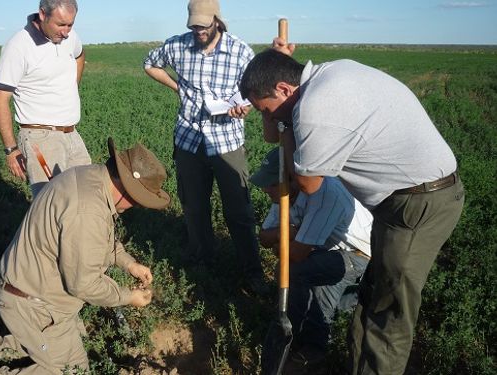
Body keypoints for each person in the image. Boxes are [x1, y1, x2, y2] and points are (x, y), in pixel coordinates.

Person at [240, 47, 465, 374]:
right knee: (372, 303)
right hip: (404, 201)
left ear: (285, 89)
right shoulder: (332, 74)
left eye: (267, 110)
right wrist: (279, 116)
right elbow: (275, 132)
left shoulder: (315, 108)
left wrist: (285, 124)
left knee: (387, 318)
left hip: (417, 205)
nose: (269, 119)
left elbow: (307, 184)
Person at [0, 138, 170, 374]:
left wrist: (129, 263)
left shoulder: (91, 178)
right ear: (127, 190)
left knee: (75, 352)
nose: (136, 206)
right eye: (138, 199)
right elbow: (83, 284)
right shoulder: (88, 211)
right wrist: (127, 297)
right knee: (67, 370)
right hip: (34, 304)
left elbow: (100, 238)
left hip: (35, 292)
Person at [143, 0, 266, 294]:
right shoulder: (178, 46)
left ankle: (252, 270)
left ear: (217, 22)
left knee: (239, 211)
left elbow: (255, 89)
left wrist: (243, 106)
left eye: (204, 26)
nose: (198, 31)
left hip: (227, 142)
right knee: (194, 207)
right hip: (189, 139)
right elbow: (149, 64)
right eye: (194, 26)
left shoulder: (239, 51)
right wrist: (177, 87)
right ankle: (202, 264)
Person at [251, 147, 372, 368]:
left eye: (271, 184)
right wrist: (284, 233)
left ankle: (297, 338)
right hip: (328, 252)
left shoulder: (326, 193)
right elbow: (264, 237)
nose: (266, 190)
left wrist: (290, 240)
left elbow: (295, 254)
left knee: (295, 272)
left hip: (358, 256)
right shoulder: (285, 196)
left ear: (292, 179)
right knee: (308, 277)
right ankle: (311, 345)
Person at [0, 0, 91, 198]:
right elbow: (0, 98)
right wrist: (11, 150)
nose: (66, 31)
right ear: (43, 15)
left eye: (70, 24)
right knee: (51, 204)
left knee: (87, 194)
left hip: (72, 134)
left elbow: (80, 56)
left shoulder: (70, 38)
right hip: (40, 138)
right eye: (61, 24)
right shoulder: (19, 46)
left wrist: (72, 87)